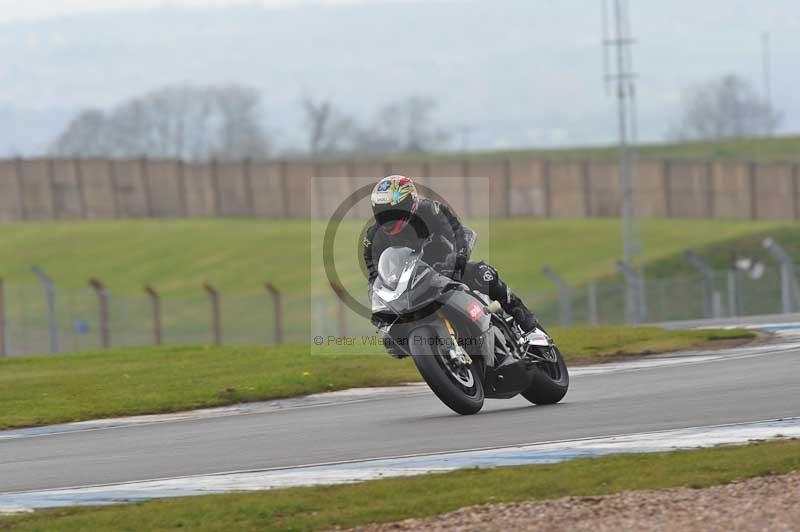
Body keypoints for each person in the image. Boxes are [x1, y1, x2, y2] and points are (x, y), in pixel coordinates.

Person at [363, 175, 540, 354]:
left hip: (444, 265)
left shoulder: (430, 210)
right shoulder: (373, 238)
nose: (388, 219)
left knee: (484, 273)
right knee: (393, 340)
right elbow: (375, 277)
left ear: (411, 203)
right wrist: (379, 307)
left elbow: (456, 231)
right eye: (382, 213)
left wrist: (459, 259)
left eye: (394, 212)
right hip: (410, 283)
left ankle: (528, 325)